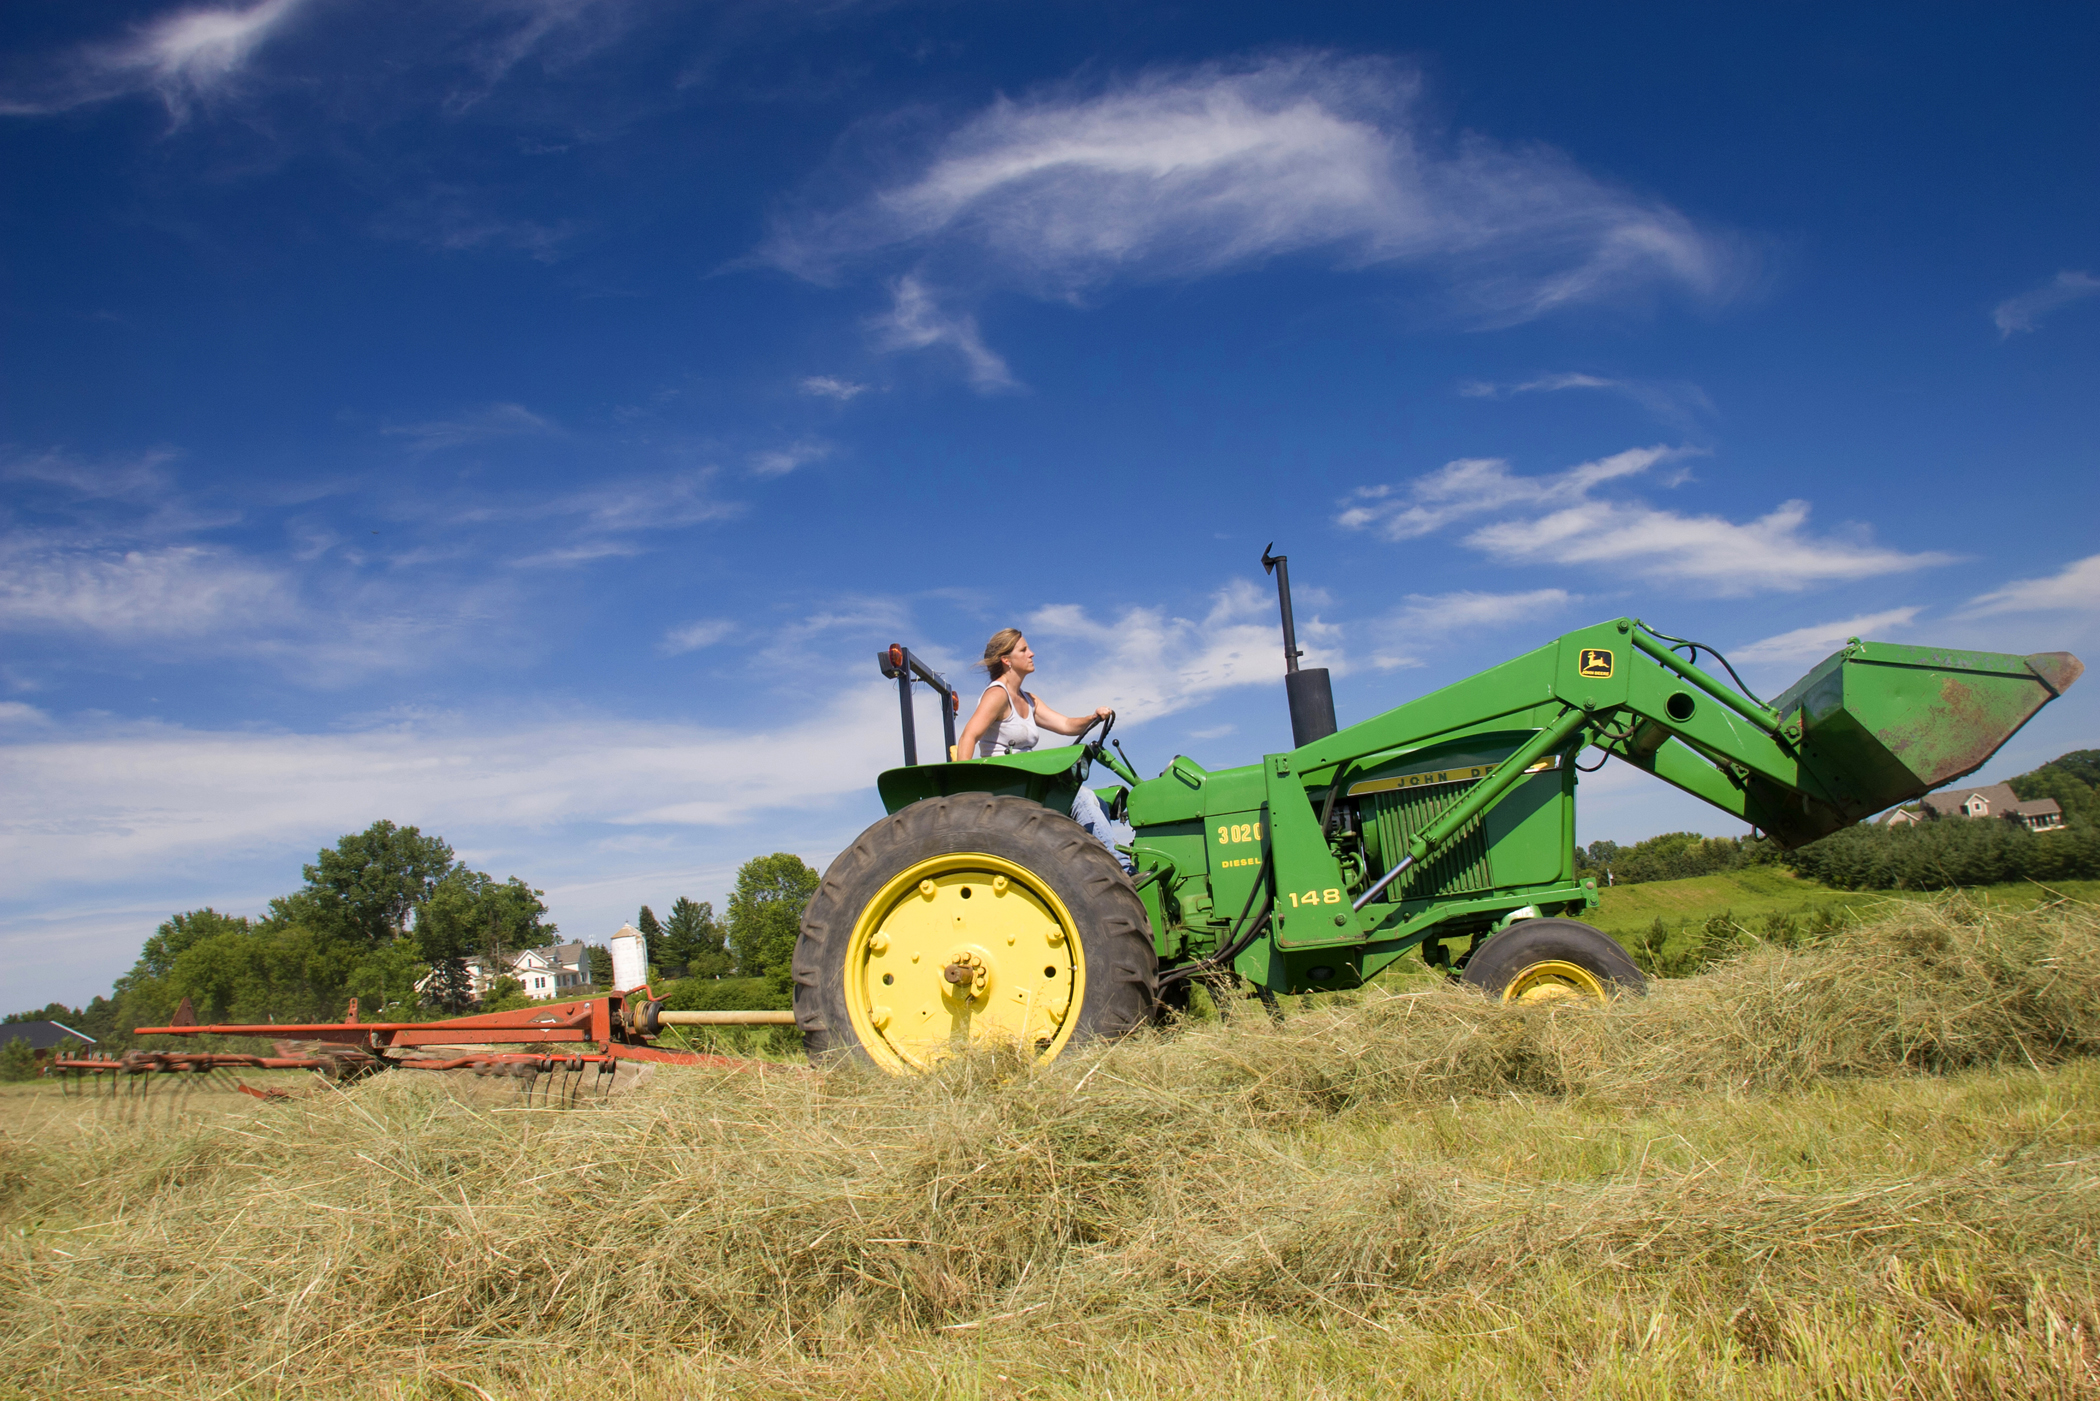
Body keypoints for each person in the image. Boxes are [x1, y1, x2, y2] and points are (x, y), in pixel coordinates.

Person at [954, 628, 1133, 868]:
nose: (1032, 653)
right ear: (1006, 660)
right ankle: (1122, 868)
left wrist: (1093, 717)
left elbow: (1066, 725)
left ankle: (1092, 868)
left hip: (1028, 782)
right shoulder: (998, 694)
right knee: (1080, 797)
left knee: (1098, 802)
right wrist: (963, 794)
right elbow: (968, 736)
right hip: (1006, 784)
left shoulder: (1030, 699)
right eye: (1024, 649)